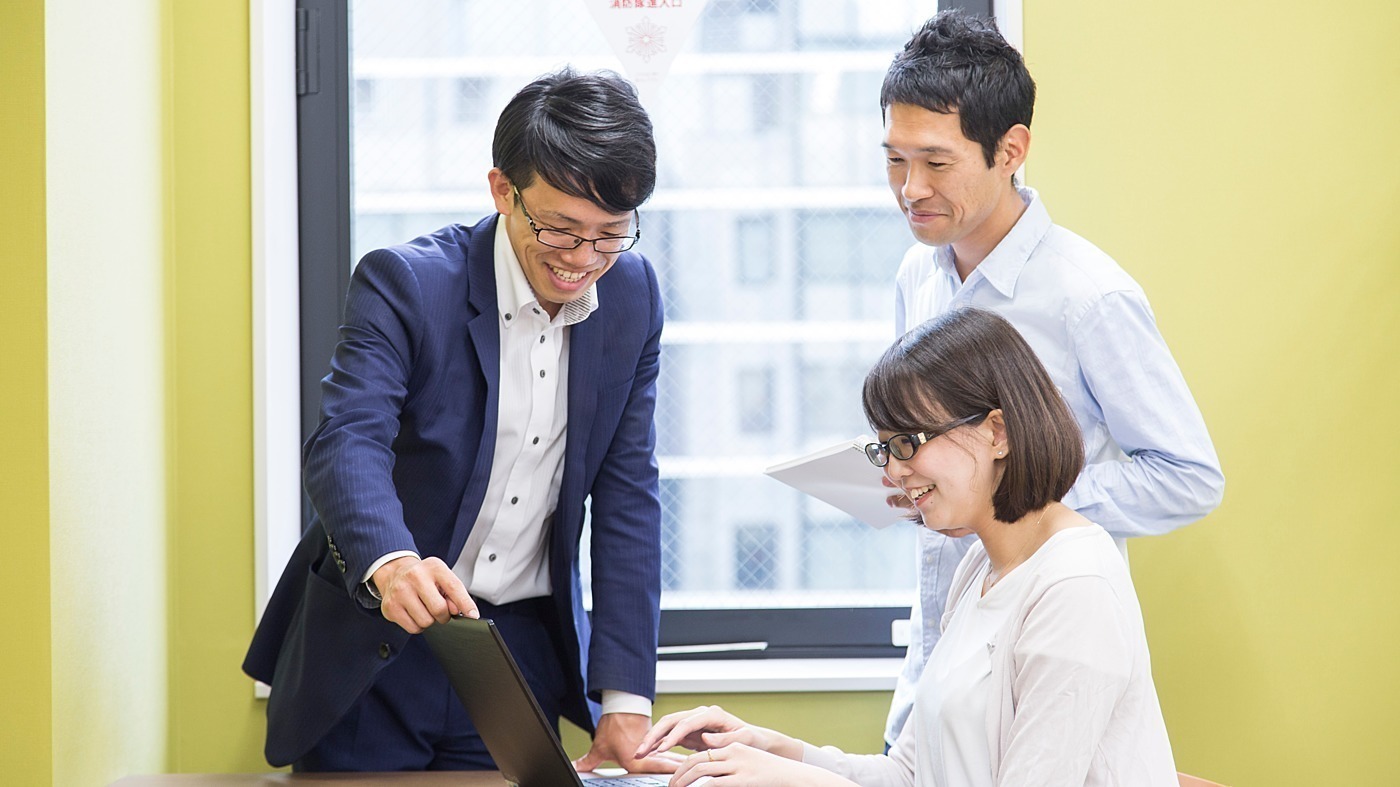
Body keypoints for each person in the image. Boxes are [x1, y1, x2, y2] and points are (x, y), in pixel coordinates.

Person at [243, 68, 677, 774]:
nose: (583, 261)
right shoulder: (408, 283)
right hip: (381, 642)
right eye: (561, 230)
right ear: (503, 190)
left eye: (610, 236)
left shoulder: (634, 297)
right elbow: (348, 438)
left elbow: (629, 492)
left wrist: (626, 697)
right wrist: (392, 563)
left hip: (516, 655)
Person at [638, 307, 1179, 786]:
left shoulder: (1075, 587)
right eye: (885, 448)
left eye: (908, 443)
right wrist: (774, 752)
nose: (895, 471)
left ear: (998, 432)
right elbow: (910, 775)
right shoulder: (980, 568)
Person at [878, 10, 1225, 748]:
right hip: (937, 671)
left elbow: (1189, 476)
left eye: (936, 163)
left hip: (1042, 669)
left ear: (1011, 150)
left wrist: (1026, 489)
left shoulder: (1089, 297)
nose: (910, 189)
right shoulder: (917, 275)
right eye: (894, 160)